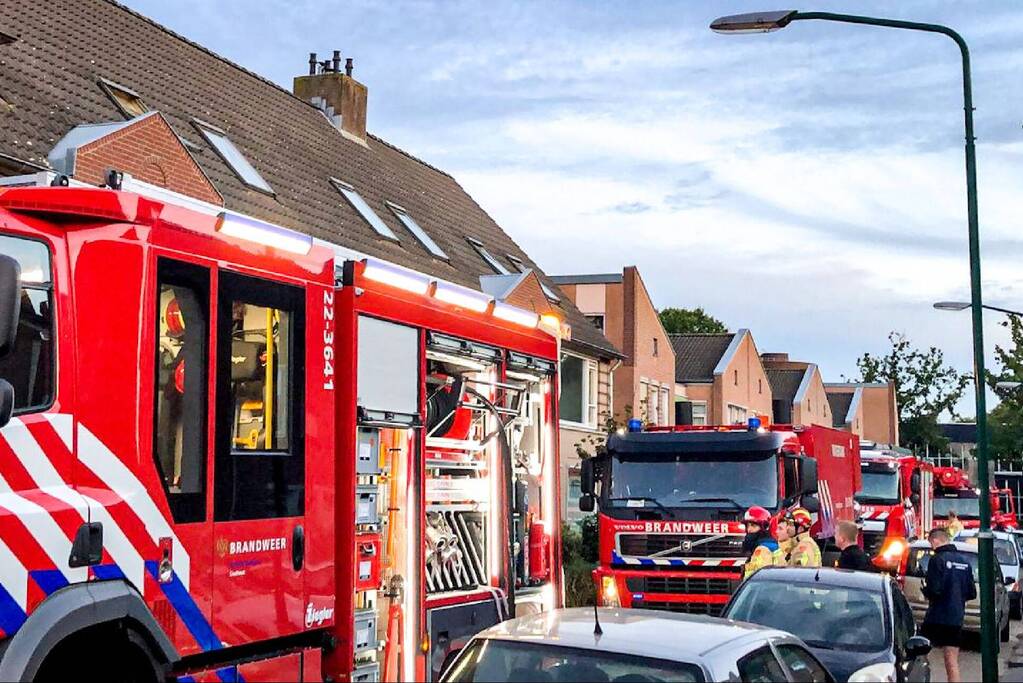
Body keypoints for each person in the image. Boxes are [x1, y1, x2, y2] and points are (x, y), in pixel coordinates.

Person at [921, 527, 976, 683]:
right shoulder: (964, 562)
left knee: (919, 653)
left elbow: (935, 590)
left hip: (936, 617)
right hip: (956, 617)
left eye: (930, 543)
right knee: (951, 660)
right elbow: (972, 592)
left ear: (935, 540)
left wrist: (926, 591)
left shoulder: (937, 559)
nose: (931, 547)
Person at [742, 506, 779, 579]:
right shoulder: (769, 544)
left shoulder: (762, 550)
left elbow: (761, 579)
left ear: (764, 527)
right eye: (747, 526)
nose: (749, 530)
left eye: (753, 525)